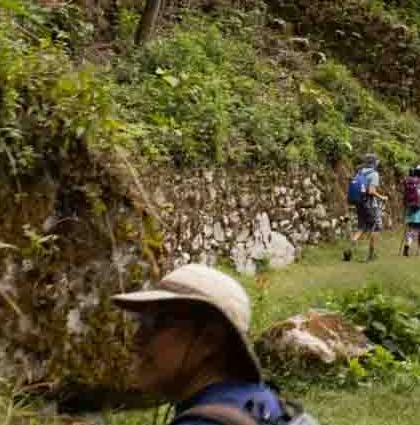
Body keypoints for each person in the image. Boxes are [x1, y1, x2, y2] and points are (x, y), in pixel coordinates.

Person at [111, 262, 303, 425]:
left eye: (153, 324)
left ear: (208, 340)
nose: (135, 341)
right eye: (140, 323)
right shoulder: (262, 402)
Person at [343, 154, 384, 262]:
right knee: (376, 228)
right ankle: (370, 256)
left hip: (359, 204)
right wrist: (382, 197)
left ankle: (349, 250)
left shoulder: (359, 172)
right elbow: (371, 191)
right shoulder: (374, 174)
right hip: (370, 205)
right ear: (374, 163)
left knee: (362, 228)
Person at [401, 163, 420, 256]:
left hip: (411, 208)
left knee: (411, 229)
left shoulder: (409, 181)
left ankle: (407, 245)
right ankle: (419, 250)